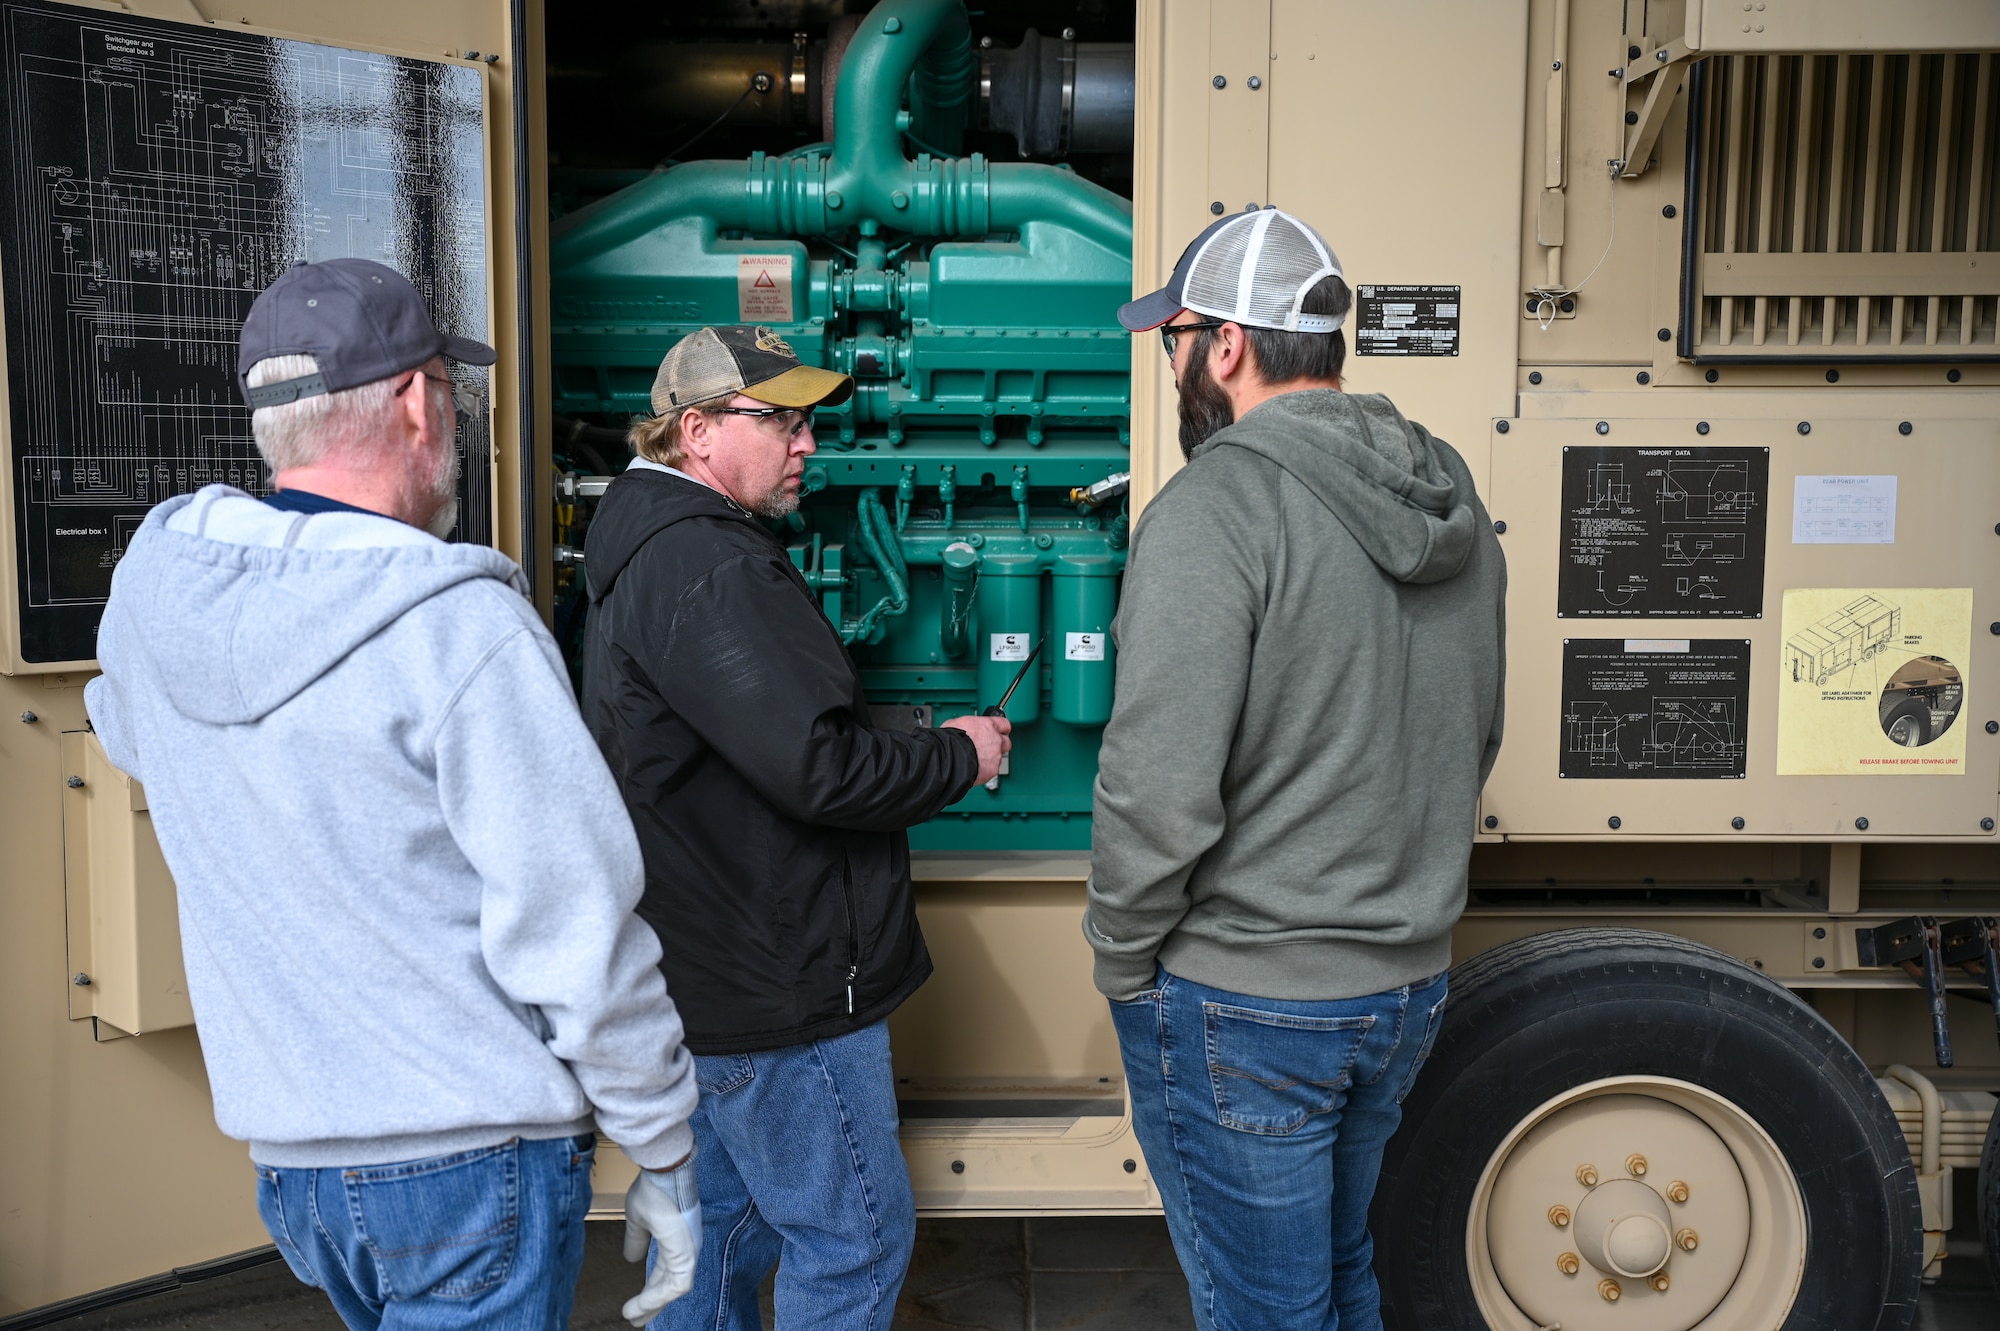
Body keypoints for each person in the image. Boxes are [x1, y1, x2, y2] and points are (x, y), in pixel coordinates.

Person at [86, 258, 703, 1331]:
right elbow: (576, 926)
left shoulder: (152, 598)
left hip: (295, 1169)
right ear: (419, 400)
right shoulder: (458, 627)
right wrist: (664, 1145)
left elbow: (131, 733)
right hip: (467, 1160)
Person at [1085, 210, 1507, 1331]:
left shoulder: (1217, 505)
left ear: (1223, 344)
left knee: (1264, 1309)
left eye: (1172, 338)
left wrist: (1121, 958)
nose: (1171, 363)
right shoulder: (1446, 490)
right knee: (1337, 1279)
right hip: (1401, 985)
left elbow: (1156, 782)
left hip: (1247, 997)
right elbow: (1476, 728)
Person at [579, 324, 1011, 1331]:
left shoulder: (657, 547)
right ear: (696, 430)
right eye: (779, 419)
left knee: (720, 1233)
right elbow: (817, 766)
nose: (805, 441)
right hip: (783, 988)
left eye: (807, 419)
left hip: (708, 971)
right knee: (851, 1240)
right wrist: (959, 753)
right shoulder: (705, 564)